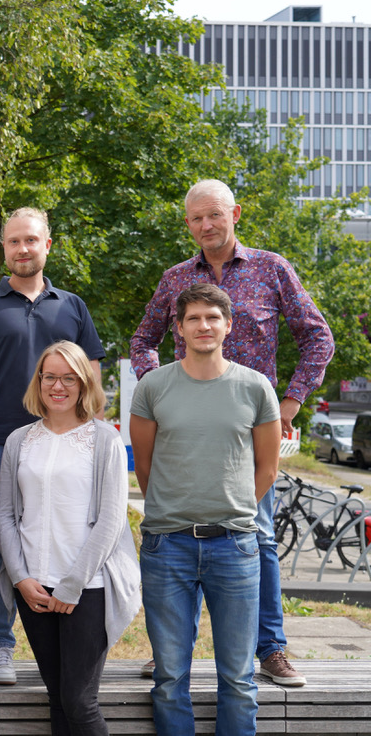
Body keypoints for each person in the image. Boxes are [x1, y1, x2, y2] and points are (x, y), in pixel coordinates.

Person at [130, 179, 333, 688]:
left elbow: (318, 335)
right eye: (197, 218)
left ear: (234, 213)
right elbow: (142, 340)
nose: (206, 226)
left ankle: (271, 649)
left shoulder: (271, 267)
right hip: (186, 431)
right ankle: (173, 651)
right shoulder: (175, 278)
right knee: (183, 536)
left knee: (257, 538)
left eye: (215, 215)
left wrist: (290, 401)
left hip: (249, 429)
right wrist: (159, 391)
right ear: (188, 224)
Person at [130, 283, 280, 736]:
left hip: (235, 547)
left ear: (227, 324)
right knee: (170, 677)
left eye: (212, 317)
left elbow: (265, 469)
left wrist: (230, 510)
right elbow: (145, 465)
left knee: (238, 679)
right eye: (192, 318)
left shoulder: (254, 387)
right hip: (167, 546)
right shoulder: (154, 387)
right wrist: (178, 510)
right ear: (179, 327)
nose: (203, 326)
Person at [0, 341, 142, 736]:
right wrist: (20, 578)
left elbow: (110, 518)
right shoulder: (20, 440)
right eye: (48, 376)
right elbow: (5, 516)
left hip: (90, 586)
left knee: (80, 699)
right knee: (57, 698)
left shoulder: (103, 439)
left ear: (85, 384)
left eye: (69, 378)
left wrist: (74, 585)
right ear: (38, 382)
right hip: (35, 585)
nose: (57, 386)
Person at [0, 207, 105, 686]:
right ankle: (0, 646)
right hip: (1, 444)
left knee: (70, 536)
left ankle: (69, 634)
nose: (22, 249)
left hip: (67, 445)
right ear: (3, 248)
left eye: (31, 240)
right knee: (2, 549)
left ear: (48, 245)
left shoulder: (73, 306)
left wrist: (95, 440)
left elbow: (91, 378)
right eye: (13, 242)